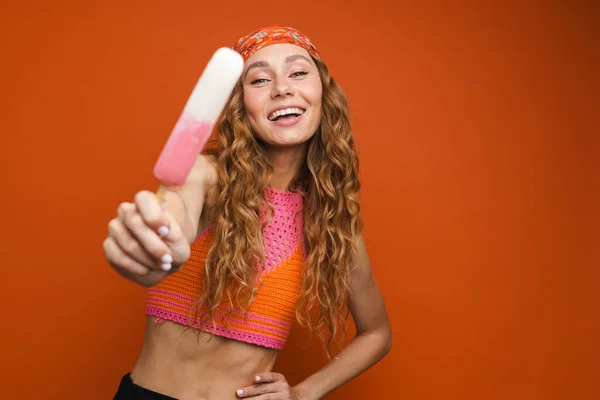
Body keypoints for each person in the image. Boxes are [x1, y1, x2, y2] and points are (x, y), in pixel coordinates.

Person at [104, 24, 392, 400]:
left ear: (324, 93)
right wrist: (157, 244)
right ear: (241, 105)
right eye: (259, 80)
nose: (282, 88)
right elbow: (175, 213)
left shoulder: (331, 223)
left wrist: (304, 393)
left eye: (299, 72)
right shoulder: (204, 175)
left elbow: (377, 333)